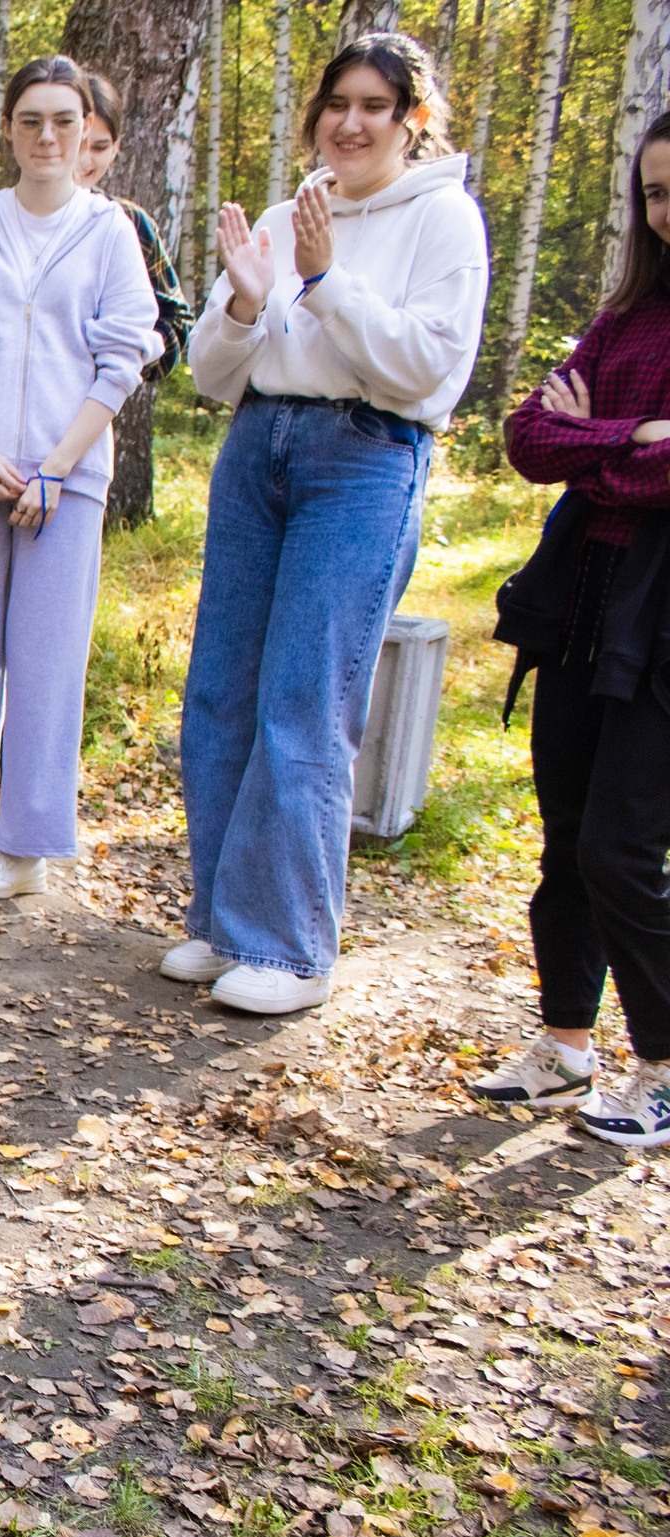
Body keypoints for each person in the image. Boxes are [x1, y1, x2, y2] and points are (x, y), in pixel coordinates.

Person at [172, 32, 487, 1015]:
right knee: (222, 683)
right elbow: (211, 372)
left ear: (411, 122)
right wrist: (245, 301)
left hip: (362, 456)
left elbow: (425, 369)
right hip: (258, 444)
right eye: (336, 103)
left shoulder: (444, 221)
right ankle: (223, 923)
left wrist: (322, 281)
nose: (350, 123)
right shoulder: (286, 210)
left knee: (306, 694)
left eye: (373, 107)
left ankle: (293, 947)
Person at [0, 57, 159, 900]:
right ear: (8, 130)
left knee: (46, 657)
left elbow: (123, 359)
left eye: (64, 121)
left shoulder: (111, 232)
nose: (47, 137)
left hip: (68, 476)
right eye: (30, 121)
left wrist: (55, 468)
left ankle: (28, 845)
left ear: (88, 130)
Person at [468, 112, 670, 1144]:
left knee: (623, 846)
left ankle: (664, 1060)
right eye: (655, 194)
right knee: (564, 836)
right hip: (582, 593)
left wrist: (593, 444)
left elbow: (600, 454)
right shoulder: (625, 319)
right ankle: (564, 1042)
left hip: (662, 614)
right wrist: (628, 435)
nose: (666, 211)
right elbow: (525, 435)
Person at [78, 73, 195, 382]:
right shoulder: (8, 219)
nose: (85, 160)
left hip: (96, 409)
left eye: (100, 147)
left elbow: (176, 321)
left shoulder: (129, 222)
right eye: (77, 144)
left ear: (116, 148)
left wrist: (120, 362)